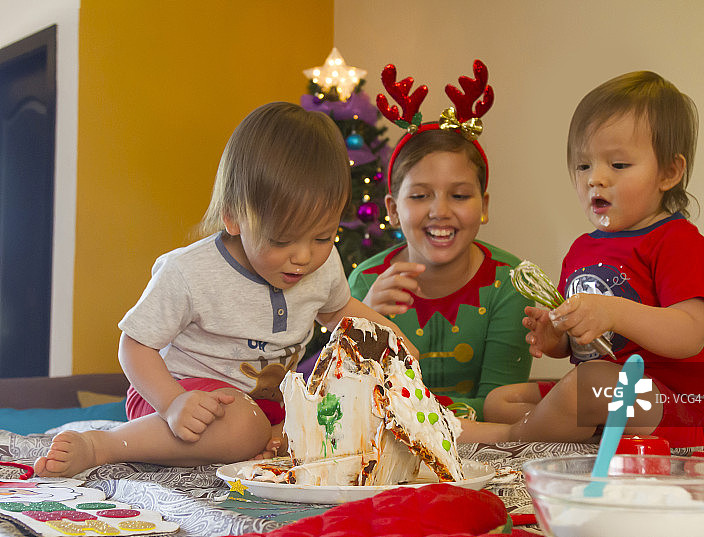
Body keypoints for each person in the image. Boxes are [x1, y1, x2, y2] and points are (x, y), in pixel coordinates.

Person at [34, 102, 417, 478]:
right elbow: (134, 345)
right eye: (281, 239)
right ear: (233, 216)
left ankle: (263, 439)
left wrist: (395, 344)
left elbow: (341, 311)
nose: (302, 257)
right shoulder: (189, 271)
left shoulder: (323, 263)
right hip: (177, 397)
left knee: (341, 422)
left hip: (267, 407)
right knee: (242, 428)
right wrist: (172, 403)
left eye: (322, 236)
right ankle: (104, 444)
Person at [465, 71, 704, 448]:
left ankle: (510, 436)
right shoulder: (582, 249)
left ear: (670, 172)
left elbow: (689, 333)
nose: (594, 179)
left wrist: (613, 311)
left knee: (590, 383)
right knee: (501, 398)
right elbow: (578, 345)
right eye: (583, 166)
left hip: (677, 408)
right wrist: (555, 334)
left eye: (618, 165)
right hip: (603, 393)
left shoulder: (677, 241)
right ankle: (554, 427)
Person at [348, 60, 534, 421]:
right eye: (419, 196)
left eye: (460, 196)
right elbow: (350, 399)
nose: (440, 211)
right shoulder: (366, 283)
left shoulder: (511, 284)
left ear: (484, 206)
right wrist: (365, 322)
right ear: (392, 208)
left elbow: (501, 407)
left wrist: (410, 412)